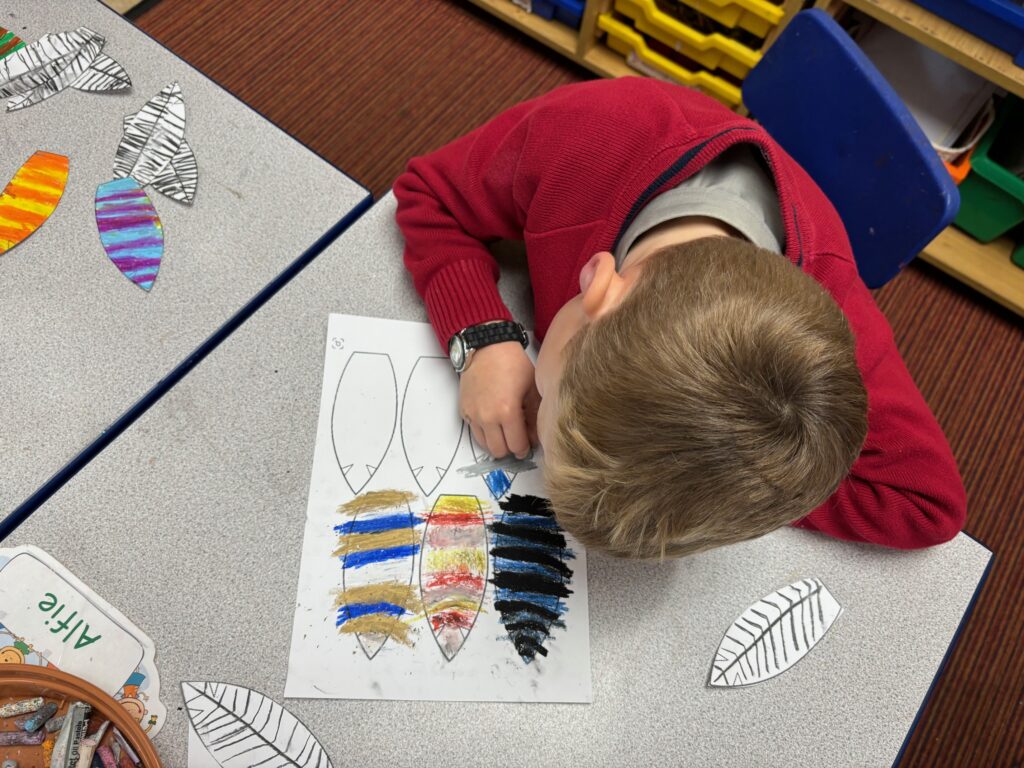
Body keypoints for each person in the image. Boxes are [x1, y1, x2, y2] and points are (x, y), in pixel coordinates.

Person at [395, 78, 965, 559]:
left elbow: (928, 505)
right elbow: (428, 193)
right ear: (596, 284)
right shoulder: (591, 131)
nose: (535, 428)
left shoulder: (820, 339)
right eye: (549, 400)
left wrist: (761, 483)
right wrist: (482, 336)